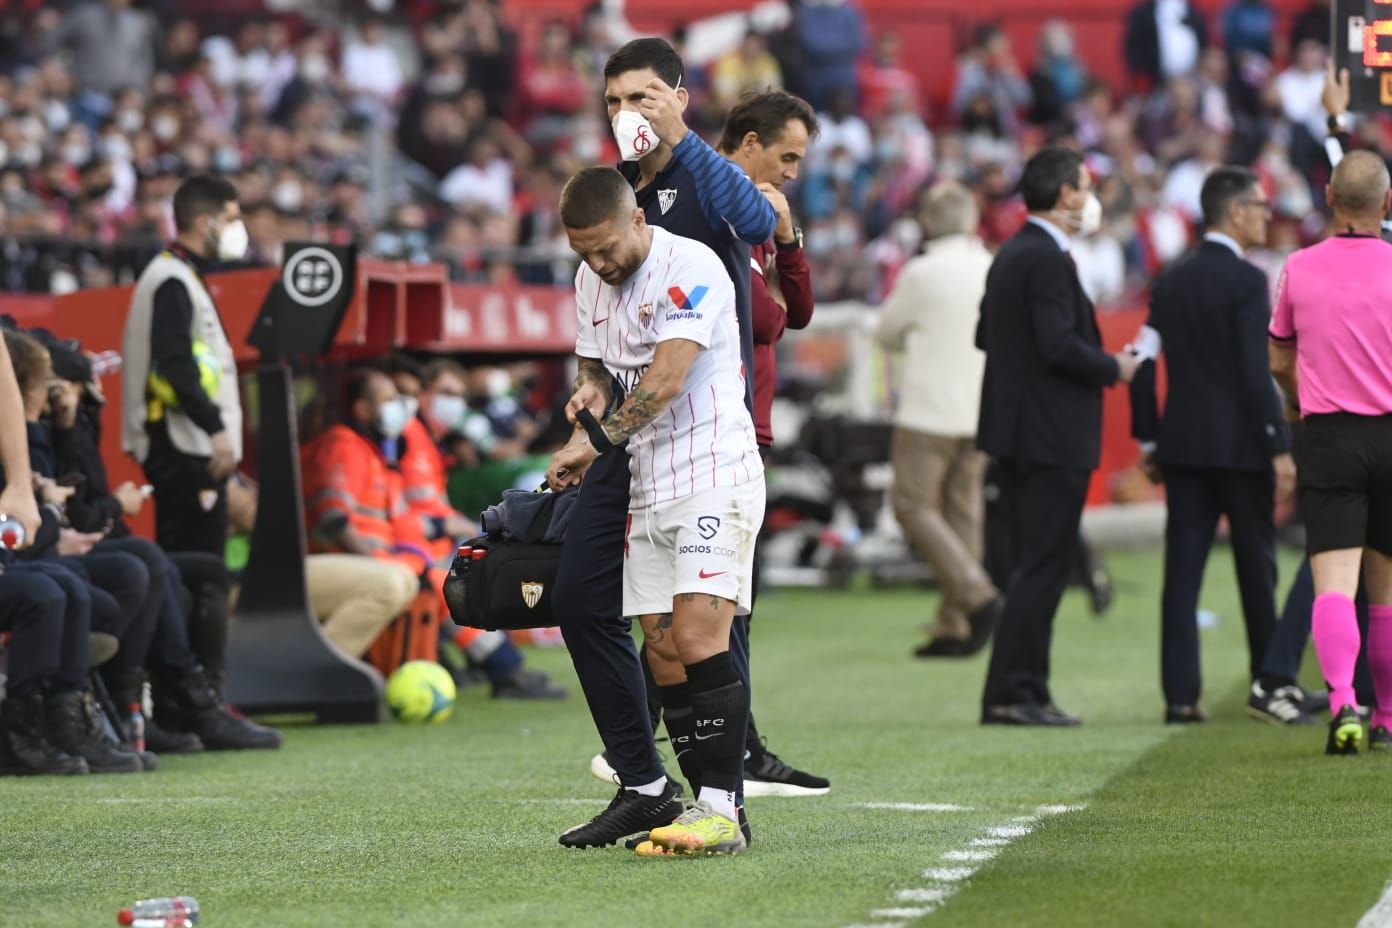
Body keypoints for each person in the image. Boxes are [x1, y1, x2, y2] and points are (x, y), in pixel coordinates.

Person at [554, 36, 818, 843]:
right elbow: (598, 354)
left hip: (705, 433)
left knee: (708, 626)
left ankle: (723, 797)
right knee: (623, 620)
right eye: (613, 102)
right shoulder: (612, 200)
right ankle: (648, 779)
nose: (625, 114)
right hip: (632, 448)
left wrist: (679, 139)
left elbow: (754, 224)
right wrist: (587, 397)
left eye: (641, 97)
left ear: (677, 95)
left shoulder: (698, 191)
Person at [548, 166, 765, 856]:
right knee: (665, 652)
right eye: (585, 252)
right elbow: (595, 368)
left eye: (607, 248)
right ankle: (697, 809)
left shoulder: (689, 266)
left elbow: (667, 380)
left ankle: (722, 810)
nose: (599, 263)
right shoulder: (593, 279)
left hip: (713, 472)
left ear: (637, 221)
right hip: (649, 478)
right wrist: (586, 399)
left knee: (700, 640)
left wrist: (594, 444)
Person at [976, 147, 1141, 727]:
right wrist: (1111, 368)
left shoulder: (1013, 254)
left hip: (1021, 432)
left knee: (1034, 563)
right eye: (1085, 184)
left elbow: (986, 334)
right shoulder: (1044, 256)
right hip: (1050, 435)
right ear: (1065, 193)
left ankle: (1029, 689)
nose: (1091, 195)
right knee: (1041, 566)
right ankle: (1012, 692)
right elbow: (1056, 344)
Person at [1130, 166, 1292, 724]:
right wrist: (1277, 441)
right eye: (1261, 205)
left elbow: (1141, 362)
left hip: (1183, 449)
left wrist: (1149, 436)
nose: (1268, 215)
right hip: (1245, 452)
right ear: (1235, 212)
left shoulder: (1170, 280)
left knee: (1182, 577)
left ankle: (1180, 698)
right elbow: (1254, 372)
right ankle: (1271, 686)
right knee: (1257, 571)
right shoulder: (1248, 281)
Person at [301, 367, 564, 699]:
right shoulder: (347, 446)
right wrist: (383, 562)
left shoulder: (376, 450)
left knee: (449, 575)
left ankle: (501, 669)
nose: (400, 406)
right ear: (363, 410)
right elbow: (332, 517)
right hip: (355, 561)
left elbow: (399, 521)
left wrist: (412, 556)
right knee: (451, 580)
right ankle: (503, 670)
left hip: (389, 558)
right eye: (391, 398)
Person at [1268, 150, 1392, 754]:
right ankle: (1388, 717)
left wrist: (1297, 401)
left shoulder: (1299, 266)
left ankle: (1343, 704)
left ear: (1329, 197)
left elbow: (1277, 358)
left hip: (1329, 434)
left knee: (1334, 586)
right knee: (1387, 593)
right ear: (1387, 205)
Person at [876, 182, 1002, 659]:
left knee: (912, 506)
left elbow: (887, 331)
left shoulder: (922, 272)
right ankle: (955, 624)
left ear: (930, 221)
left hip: (929, 410)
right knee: (963, 511)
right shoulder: (991, 266)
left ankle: (976, 594)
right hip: (979, 408)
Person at [122, 174, 246, 557]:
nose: (237, 230)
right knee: (195, 570)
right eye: (230, 219)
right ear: (203, 222)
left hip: (194, 446)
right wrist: (215, 428)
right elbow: (175, 365)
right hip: (182, 445)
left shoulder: (184, 276)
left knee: (202, 569)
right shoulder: (170, 280)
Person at [226, 474, 416, 660]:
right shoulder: (215, 461)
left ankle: (316, 666)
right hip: (236, 581)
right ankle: (313, 673)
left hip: (274, 569)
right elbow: (268, 518)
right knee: (386, 586)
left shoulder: (236, 474)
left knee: (407, 579)